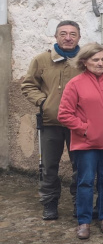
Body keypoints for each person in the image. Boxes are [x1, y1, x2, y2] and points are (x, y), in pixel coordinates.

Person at [57, 43, 103, 240]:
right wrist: (85, 129)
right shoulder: (75, 84)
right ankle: (84, 221)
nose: (100, 63)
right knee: (85, 182)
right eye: (95, 59)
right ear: (84, 62)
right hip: (86, 144)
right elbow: (64, 114)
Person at [21, 20, 83, 220]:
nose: (68, 38)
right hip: (50, 122)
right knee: (49, 167)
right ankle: (49, 203)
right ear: (56, 37)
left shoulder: (85, 60)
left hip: (78, 124)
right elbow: (28, 85)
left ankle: (79, 204)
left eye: (72, 34)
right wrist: (43, 102)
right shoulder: (41, 60)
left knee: (80, 167)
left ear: (79, 37)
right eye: (63, 33)